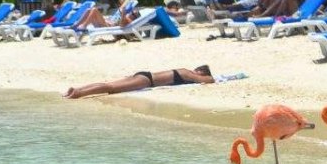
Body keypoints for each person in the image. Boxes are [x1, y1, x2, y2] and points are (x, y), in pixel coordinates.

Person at [64, 65, 217, 98]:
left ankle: (77, 89)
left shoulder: (184, 71)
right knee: (111, 87)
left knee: (110, 84)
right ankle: (78, 93)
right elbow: (209, 80)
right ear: (201, 71)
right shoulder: (188, 73)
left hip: (144, 75)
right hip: (146, 81)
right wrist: (205, 76)